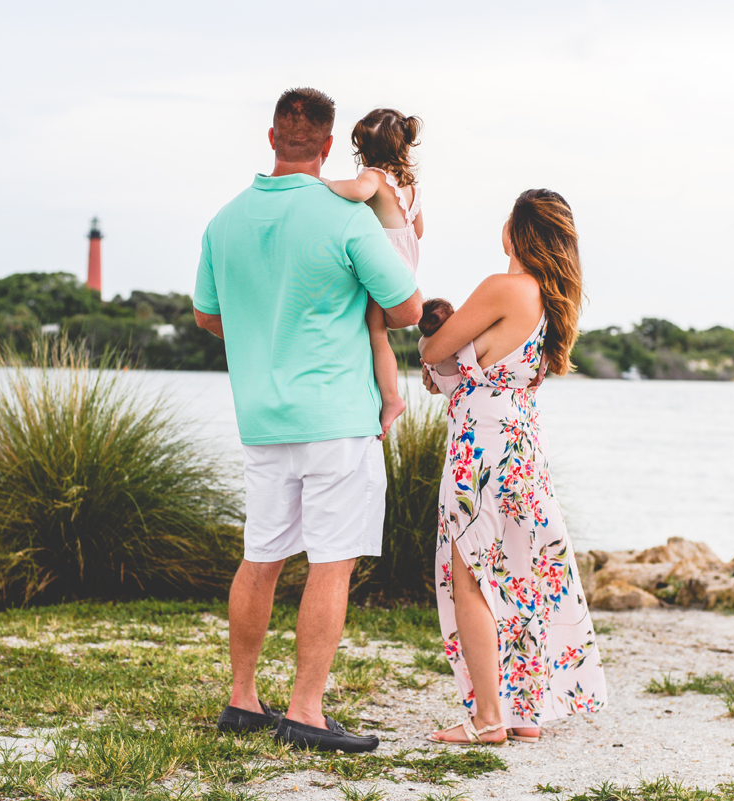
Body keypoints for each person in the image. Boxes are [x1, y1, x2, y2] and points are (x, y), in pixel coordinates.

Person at [194, 87, 422, 754]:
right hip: (336, 420)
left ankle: (242, 699)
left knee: (260, 556)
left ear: (271, 138)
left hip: (262, 419)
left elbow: (210, 317)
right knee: (331, 563)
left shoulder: (224, 221)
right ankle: (305, 711)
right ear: (327, 147)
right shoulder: (341, 215)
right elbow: (406, 307)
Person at [419, 189, 607, 745]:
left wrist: (440, 335)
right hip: (523, 446)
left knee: (470, 575)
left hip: (483, 449)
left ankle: (487, 718)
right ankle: (523, 712)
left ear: (516, 231)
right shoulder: (549, 301)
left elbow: (434, 353)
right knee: (518, 574)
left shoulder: (503, 287)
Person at [321, 109, 424, 439]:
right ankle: (389, 395)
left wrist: (324, 183)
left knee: (376, 333)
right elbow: (417, 230)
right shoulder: (410, 186)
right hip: (406, 263)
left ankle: (391, 398)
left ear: (365, 150)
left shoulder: (373, 177)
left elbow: (357, 192)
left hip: (385, 264)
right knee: (377, 332)